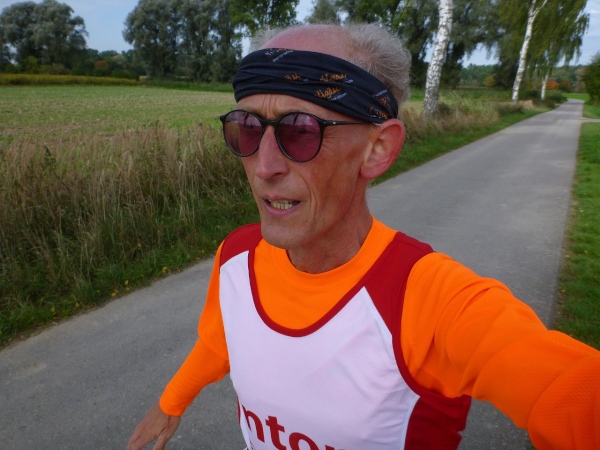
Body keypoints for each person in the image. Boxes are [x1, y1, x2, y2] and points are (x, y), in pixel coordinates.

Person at [127, 23, 600, 450]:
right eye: (247, 128)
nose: (264, 166)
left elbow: (566, 391)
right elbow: (222, 339)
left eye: (300, 130)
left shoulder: (431, 302)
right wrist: (171, 403)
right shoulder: (237, 255)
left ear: (377, 149)